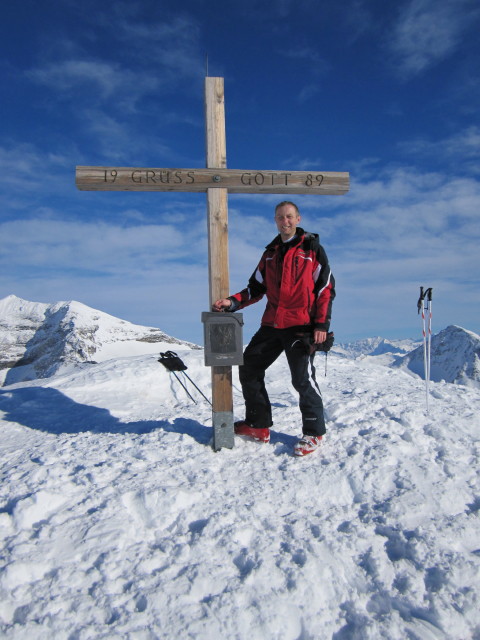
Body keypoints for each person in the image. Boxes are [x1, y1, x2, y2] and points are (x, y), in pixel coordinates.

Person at [212, 201, 335, 456]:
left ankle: (314, 432)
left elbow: (325, 289)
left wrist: (321, 324)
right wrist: (233, 302)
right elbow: (256, 288)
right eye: (280, 217)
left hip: (301, 325)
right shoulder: (270, 252)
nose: (285, 221)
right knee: (249, 366)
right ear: (275, 220)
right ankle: (258, 425)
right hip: (272, 323)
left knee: (301, 379)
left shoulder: (312, 250)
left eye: (289, 217)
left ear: (298, 219)